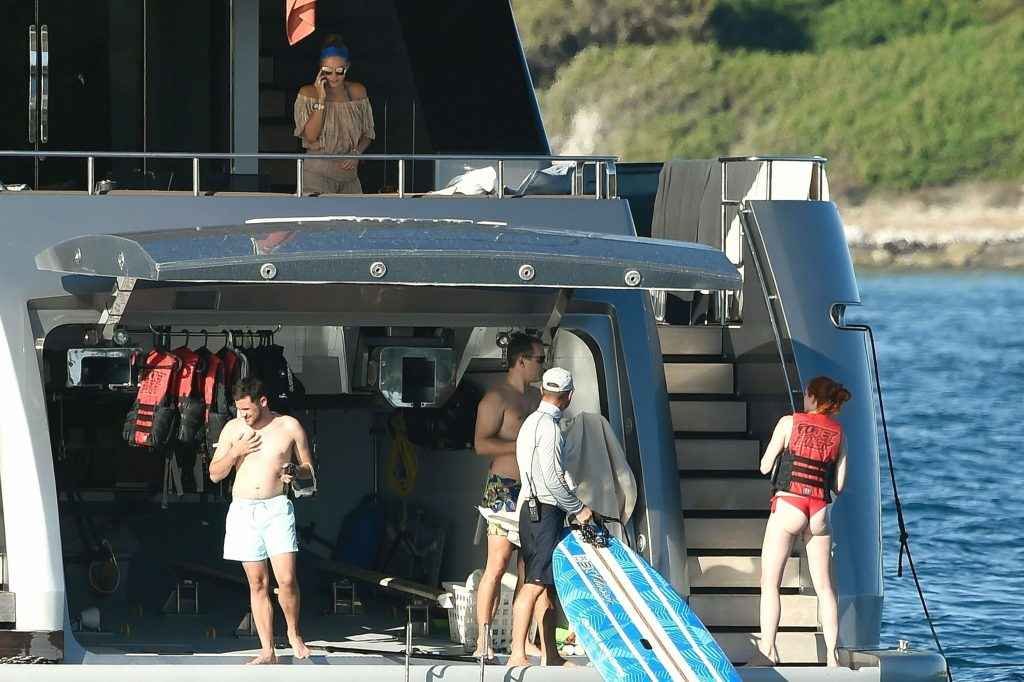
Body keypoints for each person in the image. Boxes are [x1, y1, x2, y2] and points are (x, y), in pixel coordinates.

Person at [209, 377, 316, 664]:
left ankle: (294, 633)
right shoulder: (233, 429)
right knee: (257, 583)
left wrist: (295, 470)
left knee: (287, 578)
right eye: (238, 409)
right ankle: (267, 649)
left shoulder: (288, 426)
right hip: (244, 510)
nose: (243, 415)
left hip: (277, 507)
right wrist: (235, 452)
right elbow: (215, 473)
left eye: (247, 410)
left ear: (263, 402)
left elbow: (309, 471)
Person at [752, 376, 851, 667]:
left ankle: (768, 650)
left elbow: (764, 466)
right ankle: (833, 656)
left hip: (789, 506)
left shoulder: (788, 422)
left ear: (810, 397)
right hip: (819, 512)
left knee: (770, 583)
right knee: (824, 588)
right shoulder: (839, 432)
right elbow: (840, 484)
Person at [508, 367, 593, 667]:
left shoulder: (531, 422)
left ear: (543, 390)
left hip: (529, 510)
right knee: (534, 583)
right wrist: (578, 508)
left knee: (546, 586)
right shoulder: (550, 428)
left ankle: (551, 654)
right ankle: (517, 652)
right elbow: (552, 480)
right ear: (568, 397)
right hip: (543, 512)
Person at [471, 333, 543, 658]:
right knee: (497, 565)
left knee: (527, 568)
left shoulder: (537, 398)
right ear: (521, 360)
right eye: (539, 359)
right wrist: (520, 446)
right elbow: (481, 444)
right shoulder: (496, 398)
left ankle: (522, 639)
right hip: (504, 489)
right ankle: (482, 640)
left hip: (533, 490)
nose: (543, 364)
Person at [293, 34, 375, 194]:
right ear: (320, 69)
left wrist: (356, 153)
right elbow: (310, 136)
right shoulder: (308, 93)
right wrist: (321, 99)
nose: (334, 77)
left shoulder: (357, 92)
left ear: (348, 67)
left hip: (349, 177)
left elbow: (368, 133)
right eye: (328, 71)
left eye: (339, 71)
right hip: (316, 175)